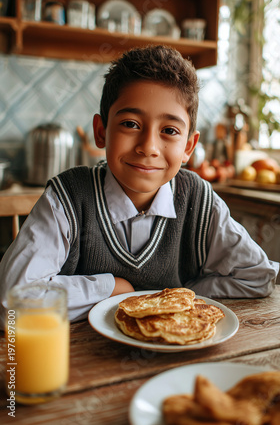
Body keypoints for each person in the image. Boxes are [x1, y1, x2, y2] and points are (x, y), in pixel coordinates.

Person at [0, 45, 278, 329]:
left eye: (169, 130)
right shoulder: (68, 197)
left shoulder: (199, 201)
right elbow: (10, 302)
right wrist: (111, 289)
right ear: (101, 132)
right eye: (131, 124)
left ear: (189, 147)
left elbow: (258, 275)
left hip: (178, 362)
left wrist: (178, 298)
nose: (148, 147)